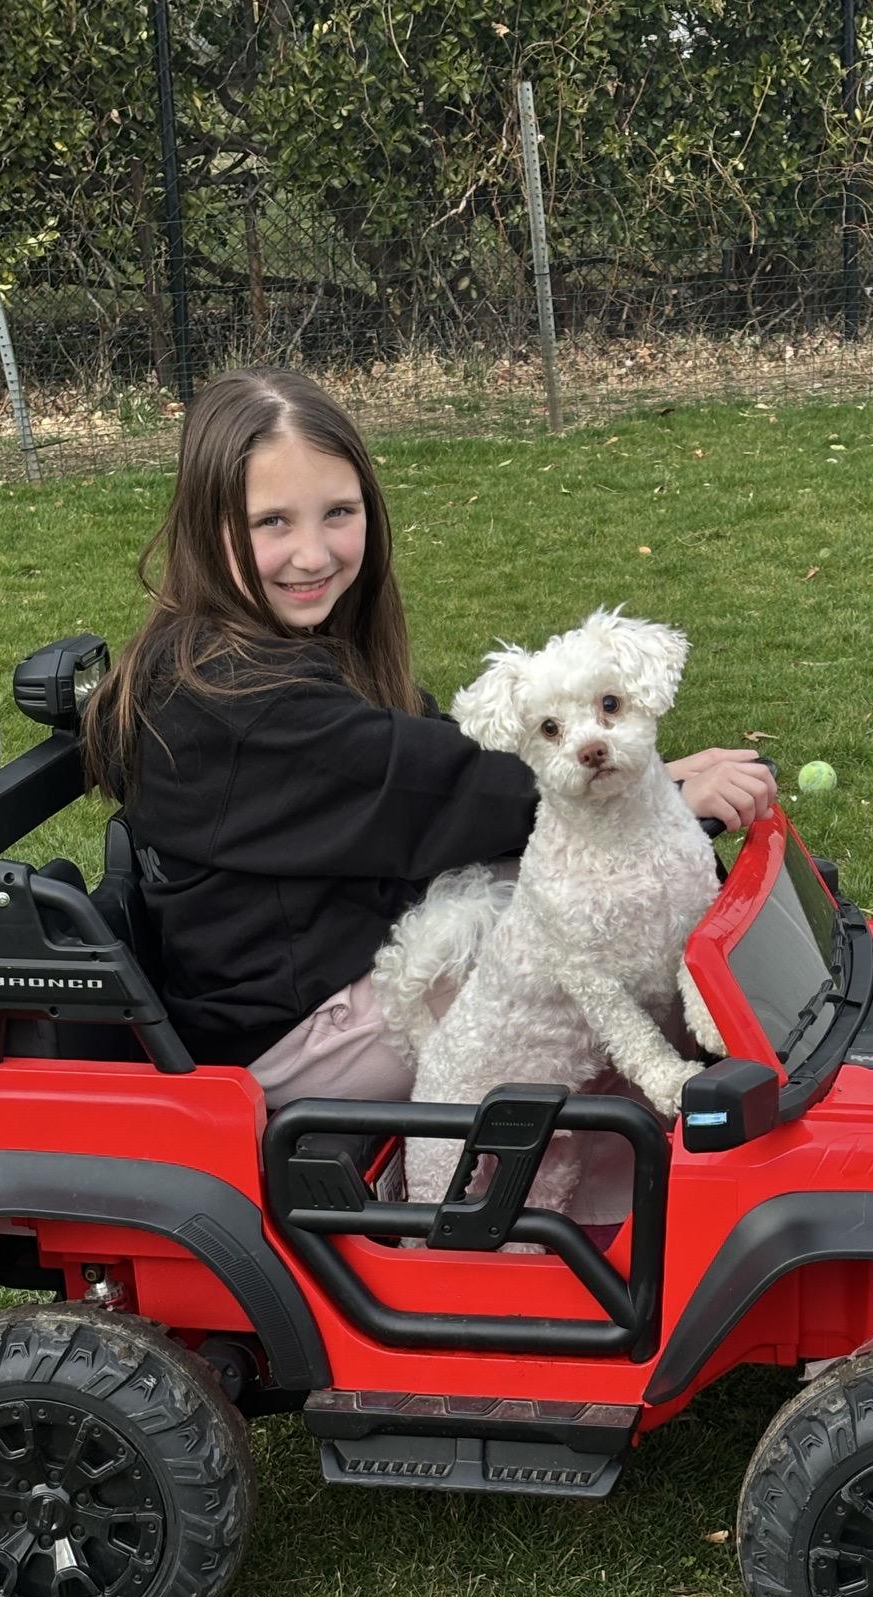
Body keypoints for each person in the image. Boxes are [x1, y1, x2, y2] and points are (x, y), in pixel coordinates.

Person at [84, 366, 776, 1111]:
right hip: (295, 1032)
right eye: (272, 522)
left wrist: (641, 788)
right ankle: (671, 1159)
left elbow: (436, 755)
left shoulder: (282, 649)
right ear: (208, 526)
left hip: (346, 960)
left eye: (338, 513)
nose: (313, 554)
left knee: (596, 913)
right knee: (581, 965)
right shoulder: (227, 698)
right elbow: (432, 789)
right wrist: (651, 789)